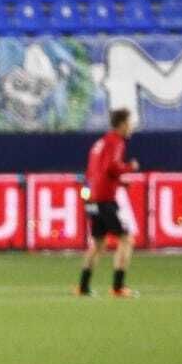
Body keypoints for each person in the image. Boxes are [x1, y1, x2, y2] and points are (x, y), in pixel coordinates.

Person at [79, 108, 141, 298]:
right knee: (126, 239)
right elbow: (111, 167)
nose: (131, 127)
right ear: (122, 124)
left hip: (92, 197)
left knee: (98, 243)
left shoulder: (100, 143)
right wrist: (129, 167)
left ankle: (83, 287)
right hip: (105, 199)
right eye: (129, 123)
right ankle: (118, 286)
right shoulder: (116, 141)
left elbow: (94, 171)